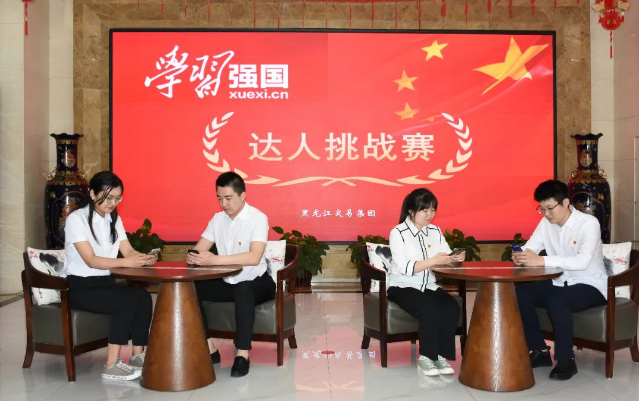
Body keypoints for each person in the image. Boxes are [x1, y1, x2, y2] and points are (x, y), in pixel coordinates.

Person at [64, 171, 156, 381]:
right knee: (127, 300)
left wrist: (142, 258)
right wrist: (127, 262)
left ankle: (138, 356)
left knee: (143, 297)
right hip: (81, 288)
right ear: (92, 193)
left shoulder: (113, 219)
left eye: (117, 198)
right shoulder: (76, 220)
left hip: (105, 283)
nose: (112, 203)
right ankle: (111, 364)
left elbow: (128, 250)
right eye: (107, 197)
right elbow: (91, 260)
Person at [513, 180, 607, 380]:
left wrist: (541, 261)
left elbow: (582, 261)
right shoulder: (546, 223)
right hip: (560, 282)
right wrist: (521, 255)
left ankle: (566, 360)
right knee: (521, 294)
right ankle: (539, 351)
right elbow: (531, 247)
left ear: (565, 202)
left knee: (557, 299)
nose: (546, 214)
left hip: (590, 284)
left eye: (550, 208)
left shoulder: (588, 223)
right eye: (542, 209)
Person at [188, 171, 275, 378]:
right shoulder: (217, 219)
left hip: (257, 282)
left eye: (228, 198)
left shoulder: (257, 218)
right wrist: (194, 257)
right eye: (219, 198)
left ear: (242, 195)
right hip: (229, 281)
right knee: (190, 288)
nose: (223, 204)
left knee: (243, 289)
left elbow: (254, 257)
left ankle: (242, 354)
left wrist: (215, 260)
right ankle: (210, 348)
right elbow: (200, 248)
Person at [388, 188, 464, 376]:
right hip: (402, 285)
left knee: (451, 306)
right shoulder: (398, 233)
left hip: (428, 285)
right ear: (411, 211)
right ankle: (426, 358)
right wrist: (433, 261)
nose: (429, 215)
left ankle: (440, 356)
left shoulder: (435, 231)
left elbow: (445, 255)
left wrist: (454, 258)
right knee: (430, 308)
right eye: (424, 210)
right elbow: (405, 268)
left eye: (432, 210)